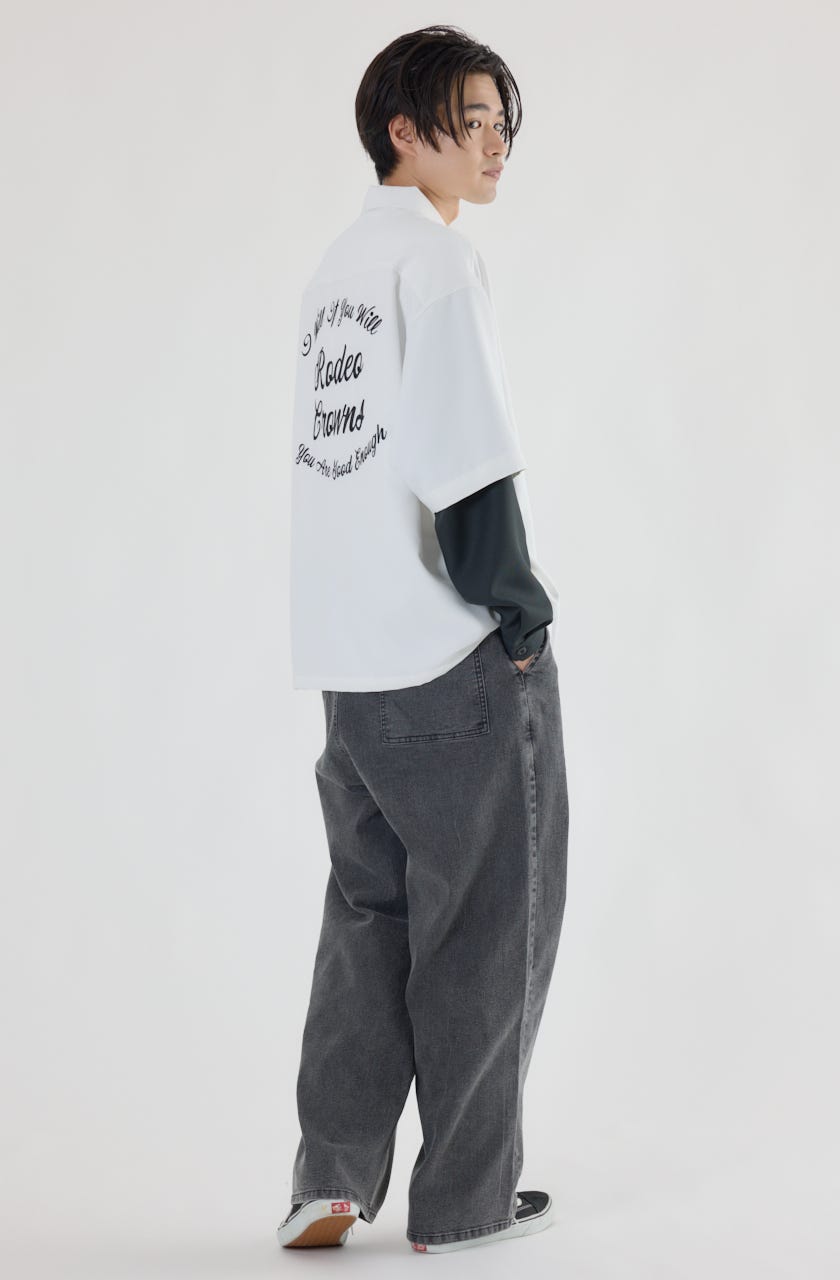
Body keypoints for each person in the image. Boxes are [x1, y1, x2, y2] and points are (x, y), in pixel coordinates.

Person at [277, 23, 570, 1255]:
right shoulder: (436, 264)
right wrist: (518, 609)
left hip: (347, 668)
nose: (496, 142)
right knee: (488, 924)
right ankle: (463, 1199)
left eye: (504, 121)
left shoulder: (334, 273)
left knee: (368, 918)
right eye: (473, 118)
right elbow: (465, 462)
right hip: (448, 664)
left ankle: (331, 1177)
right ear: (404, 128)